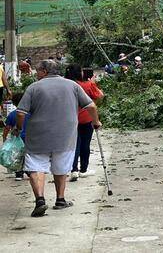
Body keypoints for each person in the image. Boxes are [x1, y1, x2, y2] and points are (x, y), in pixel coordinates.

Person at [14, 60, 101, 217]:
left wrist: (18, 128)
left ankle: (40, 199)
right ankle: (60, 200)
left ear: (45, 72)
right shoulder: (72, 85)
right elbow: (91, 106)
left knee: (35, 165)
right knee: (61, 165)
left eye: (38, 71)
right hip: (65, 134)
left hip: (38, 135)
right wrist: (96, 122)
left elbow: (20, 113)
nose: (36, 73)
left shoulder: (34, 87)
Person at [65, 65, 104, 181]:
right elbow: (100, 95)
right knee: (85, 144)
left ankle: (74, 169)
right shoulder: (87, 85)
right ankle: (83, 169)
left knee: (74, 144)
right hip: (86, 118)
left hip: (70, 118)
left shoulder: (66, 85)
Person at [2, 92, 27, 181]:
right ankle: (30, 171)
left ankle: (19, 173)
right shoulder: (31, 113)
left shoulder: (12, 114)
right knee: (30, 155)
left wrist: (4, 138)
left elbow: (7, 128)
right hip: (31, 138)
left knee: (18, 156)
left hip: (18, 139)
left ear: (14, 103)